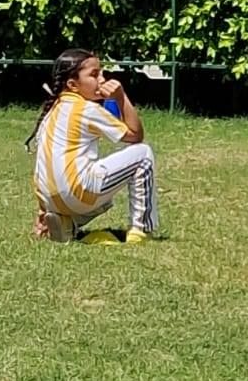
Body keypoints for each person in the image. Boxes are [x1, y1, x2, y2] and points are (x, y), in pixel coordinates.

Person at [27, 48, 159, 244]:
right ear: (72, 85)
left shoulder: (52, 110)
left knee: (102, 181)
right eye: (94, 74)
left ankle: (66, 224)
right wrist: (121, 97)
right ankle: (142, 229)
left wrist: (43, 209)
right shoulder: (86, 109)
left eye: (102, 73)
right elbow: (135, 135)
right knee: (143, 154)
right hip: (79, 194)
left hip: (49, 200)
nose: (102, 80)